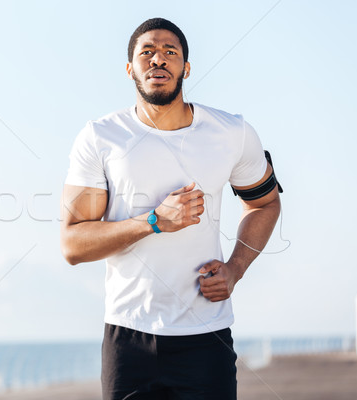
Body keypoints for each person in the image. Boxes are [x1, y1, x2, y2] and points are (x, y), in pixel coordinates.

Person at [60, 17, 281, 400]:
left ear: (186, 68)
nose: (158, 60)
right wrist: (153, 222)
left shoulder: (231, 132)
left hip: (206, 337)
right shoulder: (100, 137)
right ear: (130, 69)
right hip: (128, 339)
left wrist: (236, 269)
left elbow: (264, 203)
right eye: (146, 52)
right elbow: (73, 245)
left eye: (170, 52)